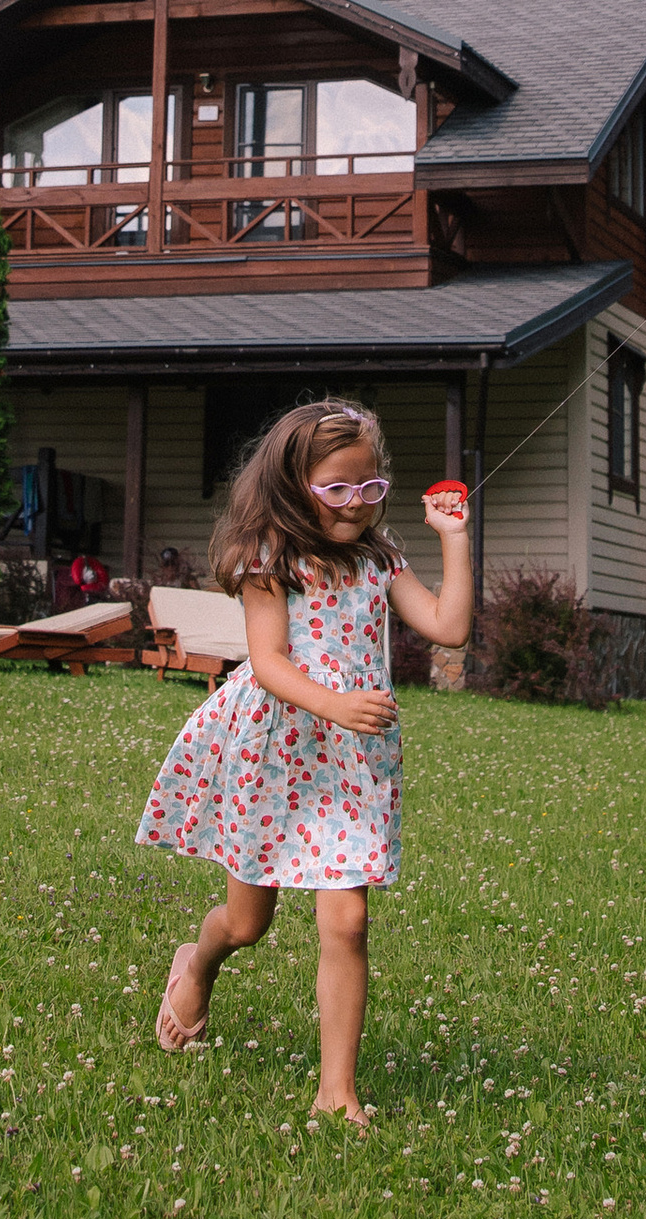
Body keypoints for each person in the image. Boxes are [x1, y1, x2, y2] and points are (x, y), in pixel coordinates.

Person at [135, 398, 471, 1127]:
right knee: (247, 923)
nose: (356, 505)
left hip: (349, 764)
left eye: (369, 488)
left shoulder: (382, 558)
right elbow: (267, 662)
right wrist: (336, 703)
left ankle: (336, 1091)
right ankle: (196, 962)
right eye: (338, 489)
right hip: (275, 752)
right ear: (295, 484)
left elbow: (450, 625)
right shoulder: (269, 561)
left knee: (347, 922)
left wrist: (453, 539)